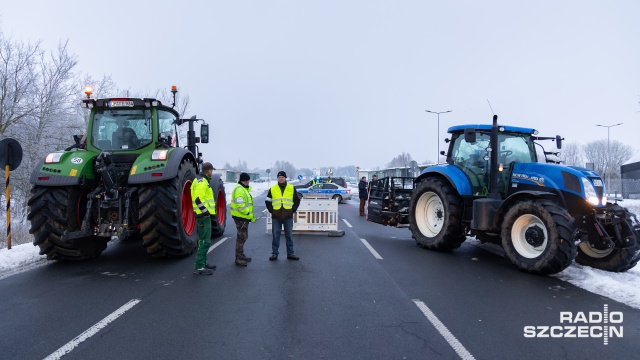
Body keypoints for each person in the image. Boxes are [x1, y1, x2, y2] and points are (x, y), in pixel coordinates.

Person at [265, 171, 301, 261]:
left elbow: (297, 200)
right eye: (279, 177)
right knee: (275, 236)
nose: (280, 178)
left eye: (282, 177)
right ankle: (274, 253)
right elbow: (268, 200)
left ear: (285, 178)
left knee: (289, 236)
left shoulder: (291, 188)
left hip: (287, 216)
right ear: (277, 178)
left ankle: (290, 253)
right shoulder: (273, 188)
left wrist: (293, 210)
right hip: (276, 216)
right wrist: (271, 210)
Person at [191, 162, 217, 275]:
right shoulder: (202, 182)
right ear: (209, 171)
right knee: (205, 242)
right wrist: (206, 212)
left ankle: (203, 263)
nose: (212, 172)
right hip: (203, 216)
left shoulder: (201, 180)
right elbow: (198, 199)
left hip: (203, 215)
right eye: (212, 170)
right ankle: (199, 266)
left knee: (203, 240)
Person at [231, 172, 255, 266]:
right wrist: (247, 212)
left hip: (243, 217)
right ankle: (238, 258)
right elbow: (240, 204)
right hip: (241, 217)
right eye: (248, 180)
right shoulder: (239, 189)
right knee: (241, 238)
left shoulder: (242, 188)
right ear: (244, 180)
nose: (249, 182)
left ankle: (241, 255)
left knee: (243, 237)